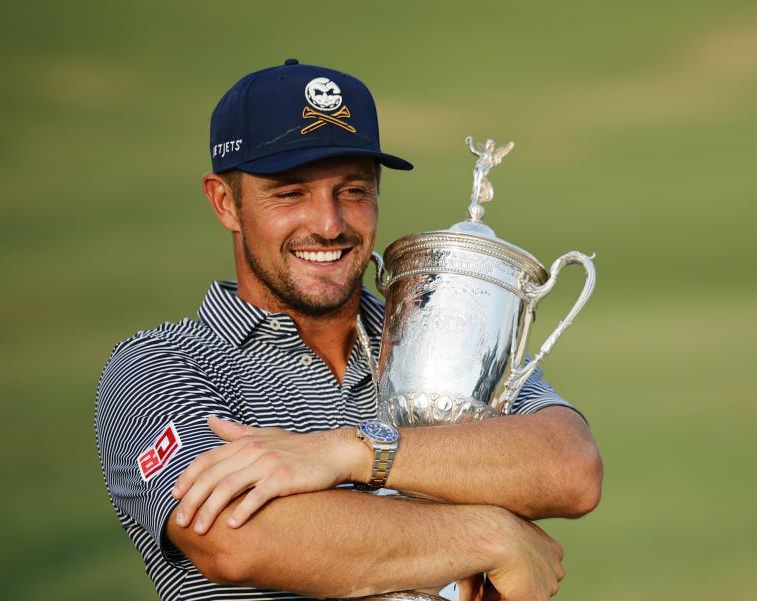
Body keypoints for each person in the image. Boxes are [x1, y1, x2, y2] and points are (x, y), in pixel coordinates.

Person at [95, 59, 602, 601]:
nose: (330, 224)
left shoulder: (432, 337)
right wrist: (494, 537)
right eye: (289, 194)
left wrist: (351, 453)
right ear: (226, 202)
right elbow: (236, 539)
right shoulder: (162, 366)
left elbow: (571, 467)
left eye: (353, 191)